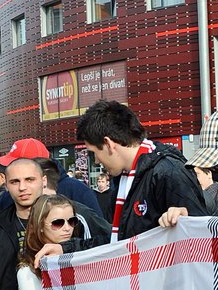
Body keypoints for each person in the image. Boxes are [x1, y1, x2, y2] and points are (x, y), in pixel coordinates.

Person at [75, 101, 206, 239]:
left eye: (94, 152)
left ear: (108, 144)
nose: (96, 160)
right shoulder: (124, 176)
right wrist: (67, 249)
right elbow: (118, 239)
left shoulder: (168, 172)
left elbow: (200, 233)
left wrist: (185, 216)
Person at [0, 138, 101, 213]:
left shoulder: (77, 190)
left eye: (17, 163)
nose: (21, 187)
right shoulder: (8, 196)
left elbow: (100, 235)